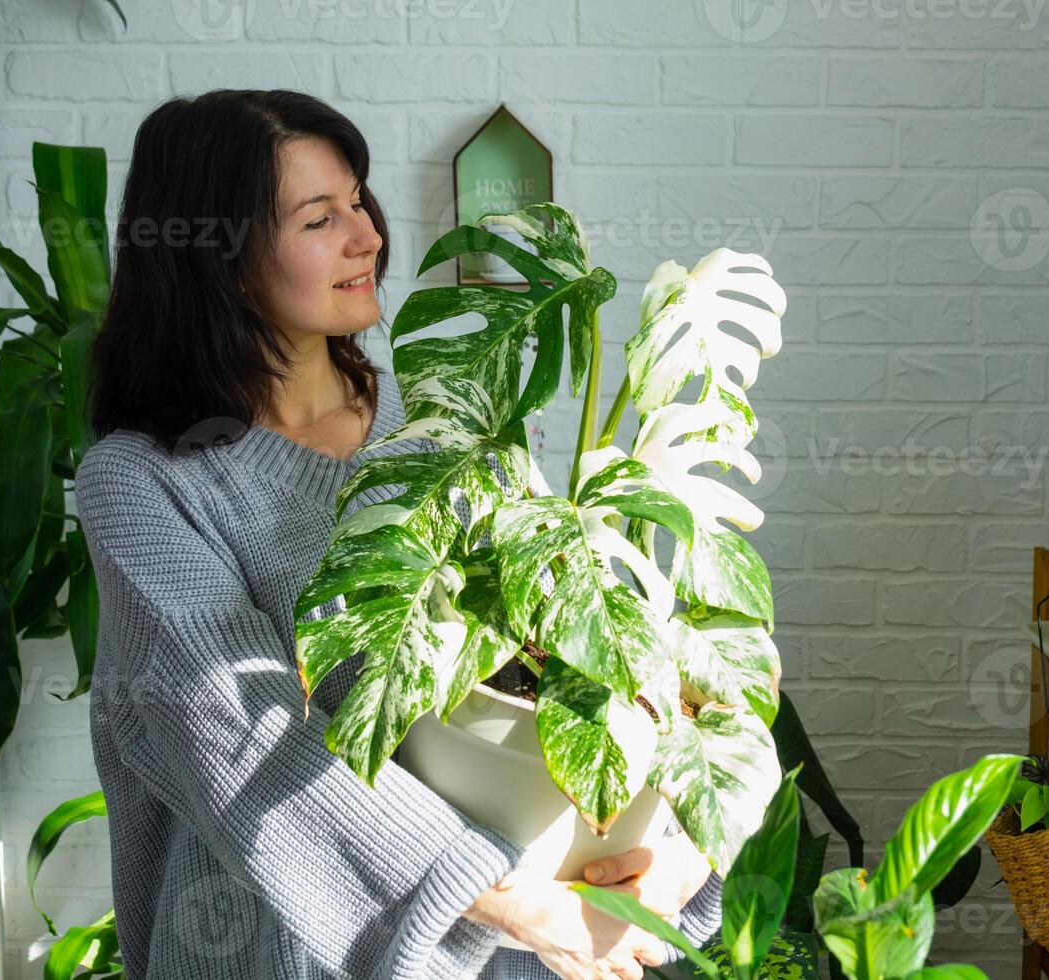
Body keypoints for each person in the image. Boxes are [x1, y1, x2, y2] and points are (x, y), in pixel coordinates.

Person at [74, 89, 722, 980]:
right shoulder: (144, 481)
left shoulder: (443, 416)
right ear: (220, 259)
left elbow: (607, 639)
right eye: (318, 217)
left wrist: (678, 850)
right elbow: (234, 730)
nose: (367, 235)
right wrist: (512, 903)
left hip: (528, 940)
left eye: (358, 201)